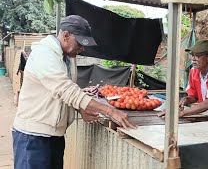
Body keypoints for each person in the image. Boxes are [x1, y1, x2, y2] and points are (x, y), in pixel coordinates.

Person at [12, 15, 137, 169]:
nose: (82, 48)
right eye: (80, 43)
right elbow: (66, 89)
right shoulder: (44, 55)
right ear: (66, 35)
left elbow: (62, 93)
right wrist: (109, 111)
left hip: (55, 135)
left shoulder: (67, 57)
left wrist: (80, 108)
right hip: (32, 136)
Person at [159, 40, 208, 120]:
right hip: (207, 115)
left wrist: (183, 113)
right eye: (192, 55)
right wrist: (186, 100)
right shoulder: (194, 71)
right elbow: (194, 96)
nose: (193, 59)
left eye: (197, 55)